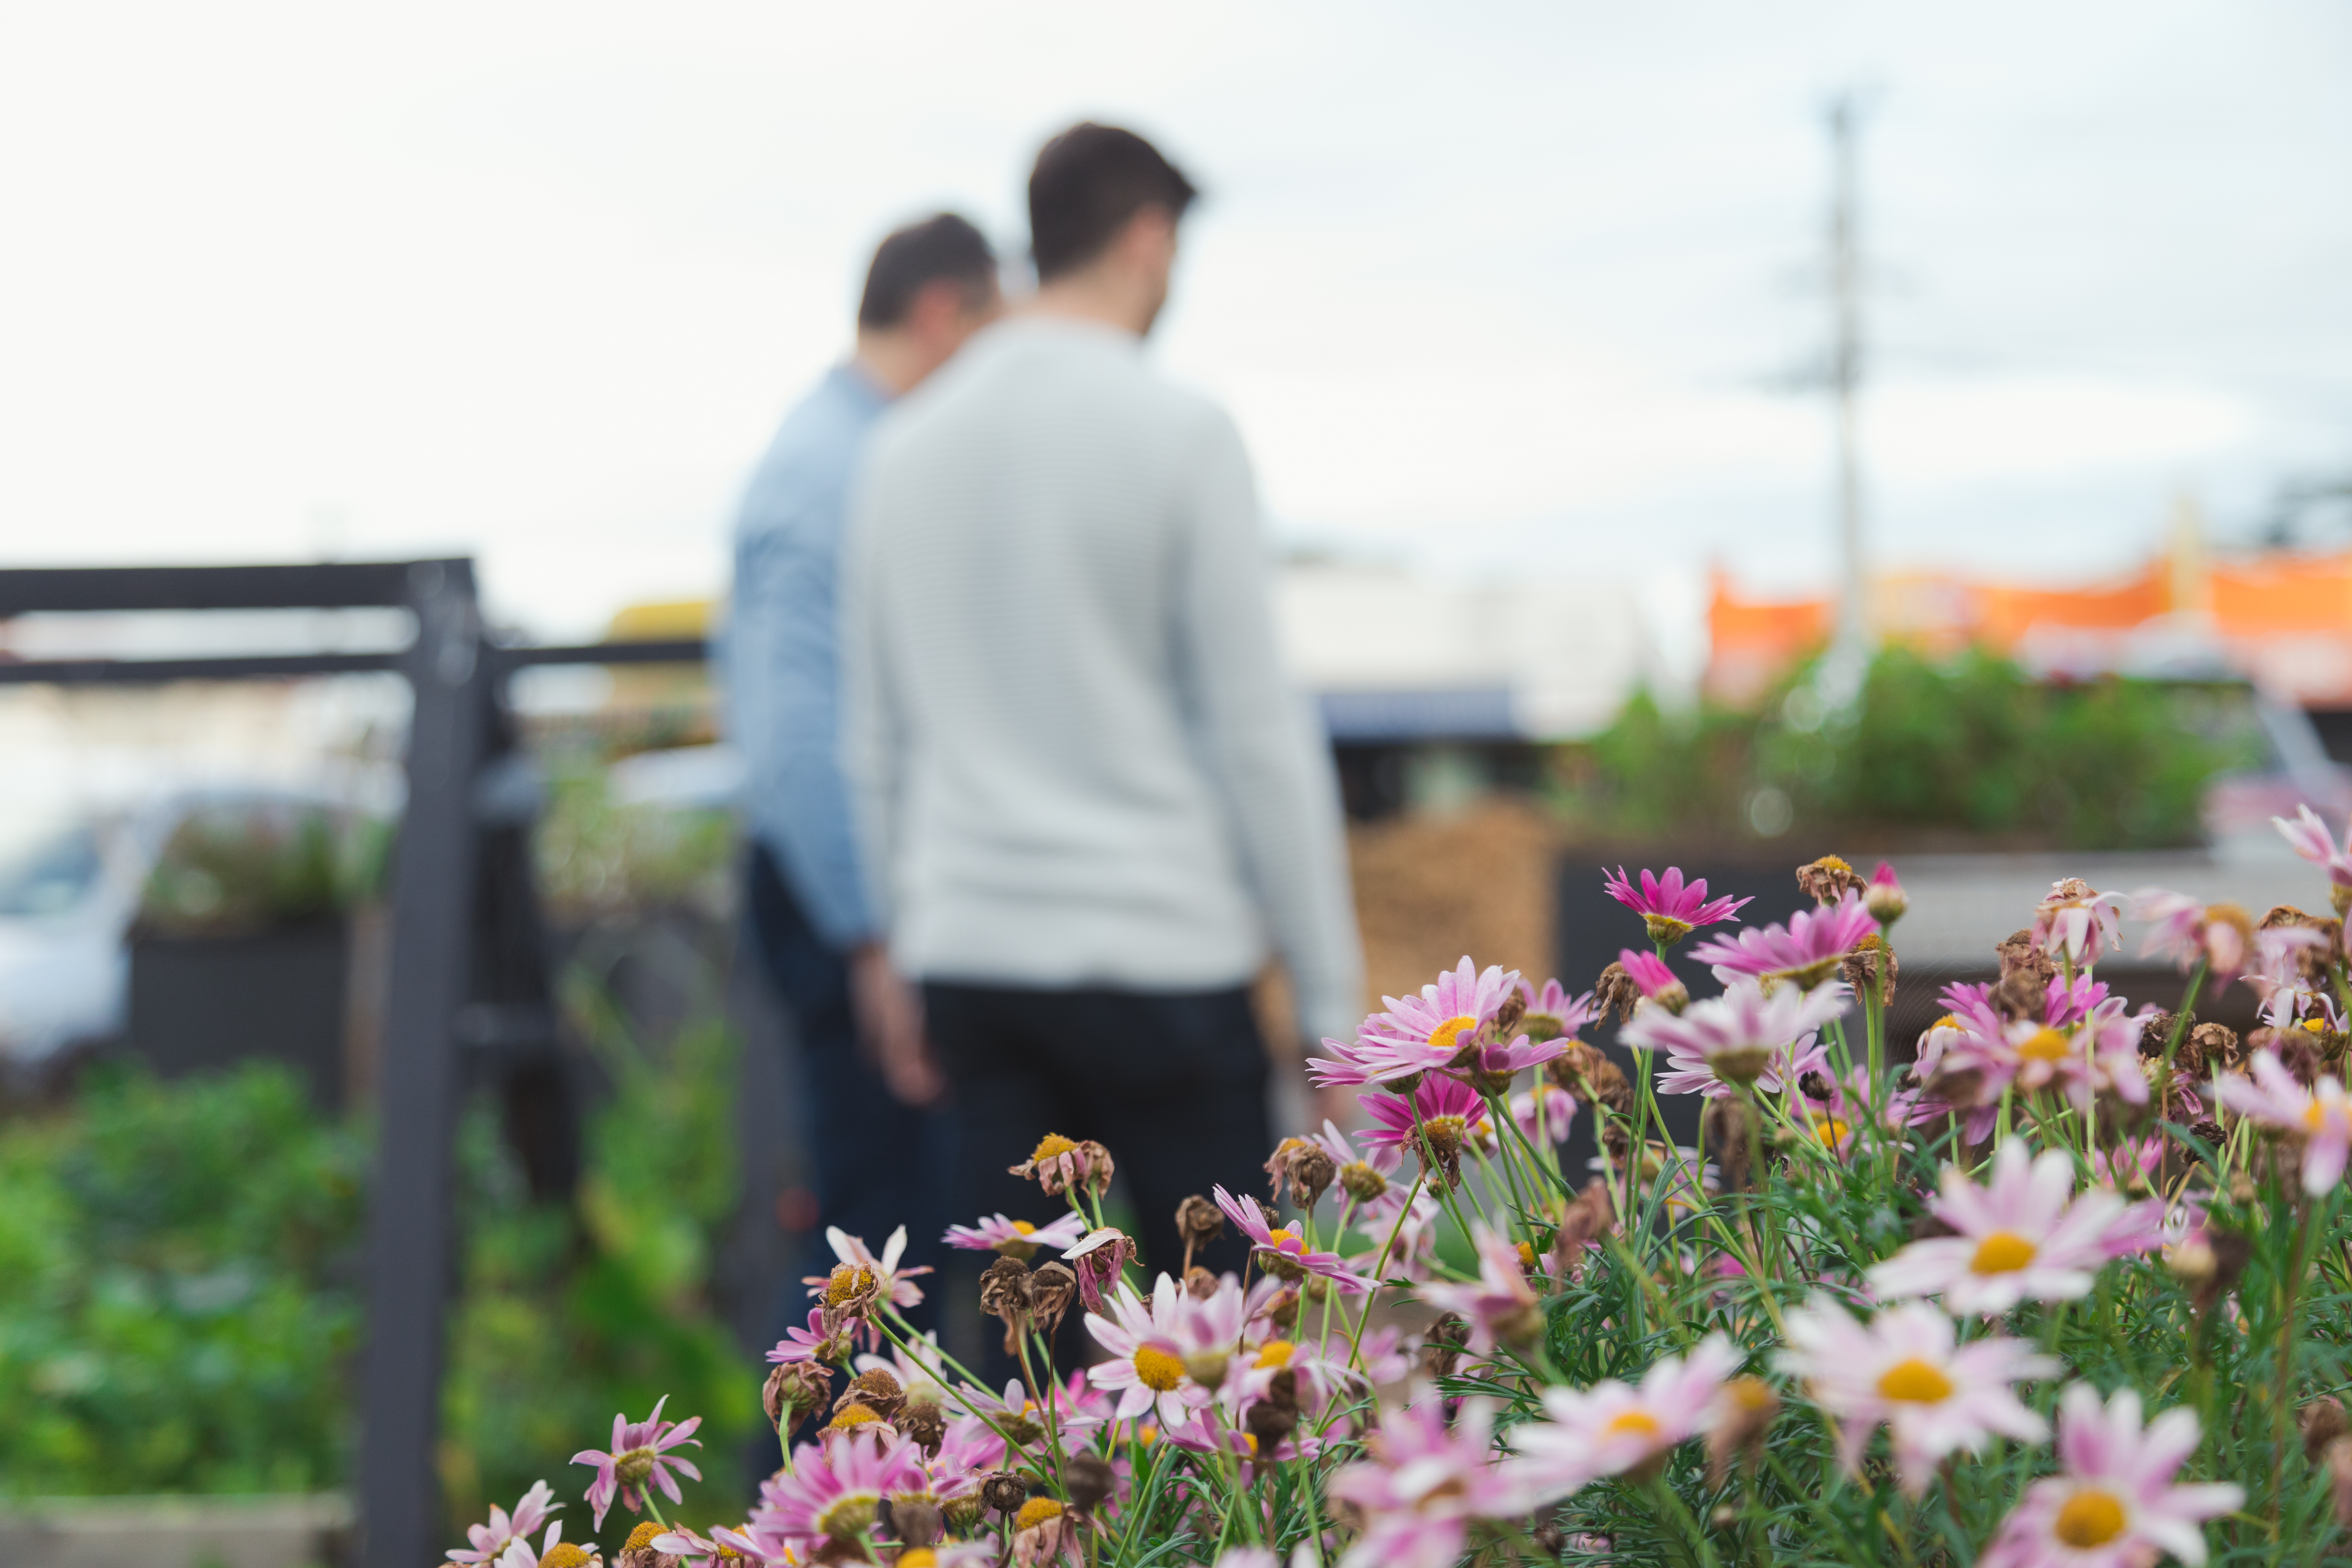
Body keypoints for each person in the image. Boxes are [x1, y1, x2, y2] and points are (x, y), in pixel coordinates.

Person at [842, 125, 1364, 1318]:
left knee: (1026, 1374)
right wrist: (1329, 1010)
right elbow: (1255, 731)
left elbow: (877, 742)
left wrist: (892, 946)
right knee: (1233, 1362)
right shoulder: (1180, 430)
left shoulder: (901, 447)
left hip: (973, 952)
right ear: (1148, 237)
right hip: (1163, 952)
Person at [723, 213, 1001, 1336]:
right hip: (846, 902)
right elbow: (800, 734)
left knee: (887, 1239)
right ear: (940, 312)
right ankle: (835, 1503)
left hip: (846, 893)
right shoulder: (839, 467)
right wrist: (877, 934)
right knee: (879, 1260)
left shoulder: (833, 449)